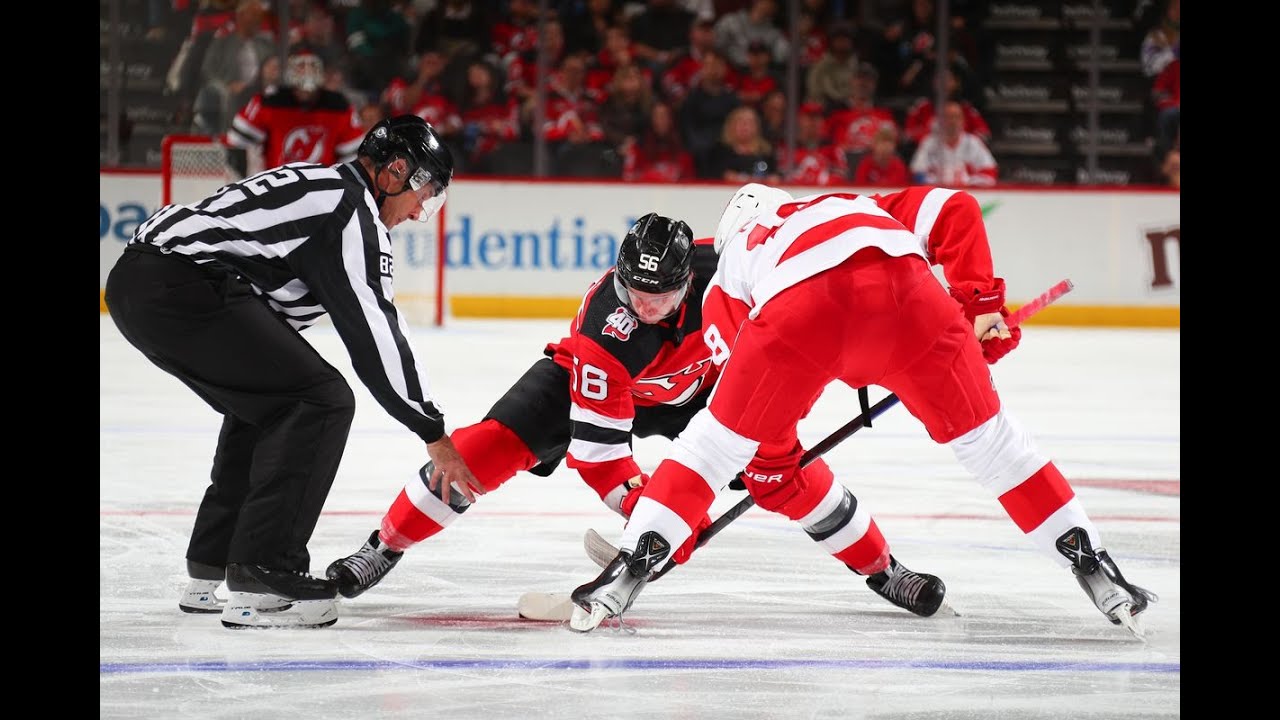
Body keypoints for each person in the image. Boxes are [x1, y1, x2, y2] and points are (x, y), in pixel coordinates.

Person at [569, 183, 1158, 637]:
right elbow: (955, 208)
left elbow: (752, 403)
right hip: (912, 297)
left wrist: (774, 468)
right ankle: (1095, 566)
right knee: (997, 446)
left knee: (712, 445)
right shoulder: (851, 202)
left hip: (803, 310)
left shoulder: (726, 272)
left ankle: (630, 568)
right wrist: (979, 303)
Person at [325, 213, 949, 619]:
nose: (646, 306)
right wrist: (654, 520)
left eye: (663, 295)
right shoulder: (608, 333)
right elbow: (599, 457)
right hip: (587, 390)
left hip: (704, 392)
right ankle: (383, 546)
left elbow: (830, 280)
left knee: (784, 470)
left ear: (690, 280)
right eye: (634, 292)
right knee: (479, 451)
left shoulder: (734, 268)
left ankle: (884, 569)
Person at [103, 115, 480, 630]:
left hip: (140, 281)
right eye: (426, 194)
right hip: (184, 285)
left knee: (267, 404)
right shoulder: (351, 214)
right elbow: (376, 335)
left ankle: (210, 567)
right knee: (322, 401)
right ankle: (264, 573)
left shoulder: (320, 185)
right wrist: (431, 430)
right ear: (395, 172)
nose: (420, 213)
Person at [224, 50, 366, 178]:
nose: (305, 94)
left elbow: (353, 158)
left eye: (311, 89)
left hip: (322, 190)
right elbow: (237, 143)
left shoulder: (339, 107)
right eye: (300, 88)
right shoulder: (270, 102)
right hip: (276, 188)